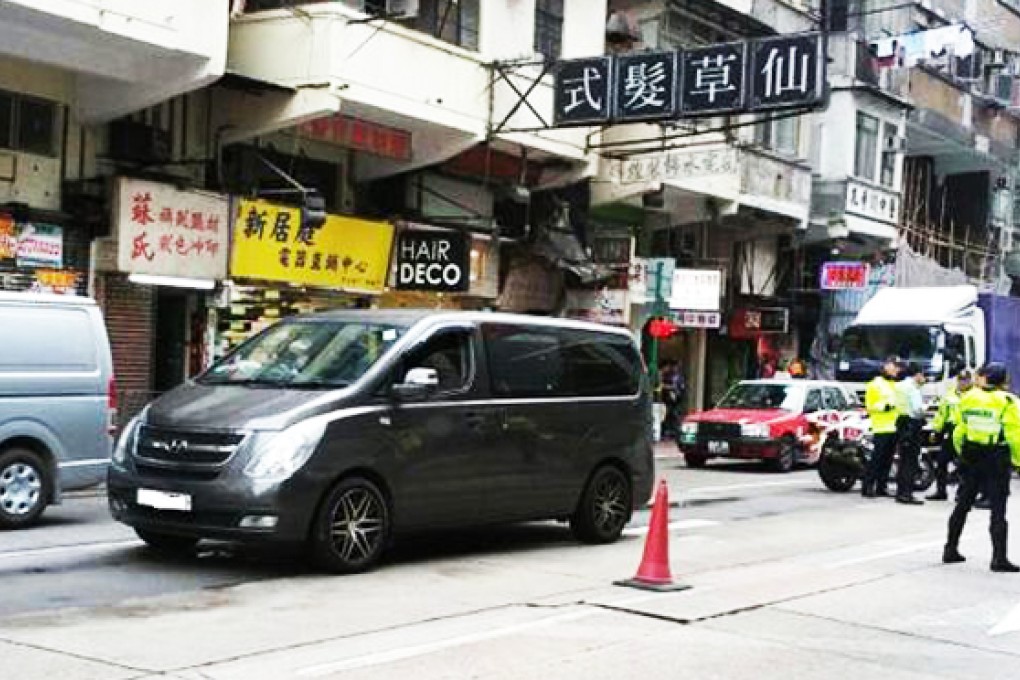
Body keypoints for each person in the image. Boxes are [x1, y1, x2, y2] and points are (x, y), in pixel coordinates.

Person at [944, 362, 1020, 572]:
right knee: (998, 509)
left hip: (972, 456)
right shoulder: (1008, 402)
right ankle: (999, 558)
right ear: (1003, 380)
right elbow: (1015, 435)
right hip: (996, 458)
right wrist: (1018, 462)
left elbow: (960, 430)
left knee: (963, 504)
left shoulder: (969, 397)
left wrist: (962, 454)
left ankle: (950, 548)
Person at [928, 369, 973, 501]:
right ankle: (941, 491)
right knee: (941, 462)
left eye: (965, 380)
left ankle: (961, 493)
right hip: (951, 430)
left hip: (966, 432)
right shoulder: (949, 396)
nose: (962, 383)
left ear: (970, 381)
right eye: (960, 380)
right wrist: (936, 430)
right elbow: (942, 414)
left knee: (964, 464)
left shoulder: (975, 396)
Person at [863, 357, 902, 498]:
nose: (897, 370)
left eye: (898, 367)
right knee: (876, 459)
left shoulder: (895, 385)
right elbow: (869, 405)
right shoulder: (875, 384)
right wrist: (884, 407)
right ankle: (868, 486)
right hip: (881, 427)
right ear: (886, 366)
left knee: (888, 460)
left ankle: (882, 486)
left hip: (894, 427)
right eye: (894, 366)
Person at [895, 363, 927, 505]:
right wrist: (926, 409)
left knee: (903, 460)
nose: (924, 378)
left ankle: (901, 491)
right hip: (912, 425)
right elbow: (918, 409)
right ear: (917, 374)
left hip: (901, 423)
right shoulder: (913, 388)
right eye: (923, 375)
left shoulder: (899, 386)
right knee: (911, 460)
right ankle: (907, 493)